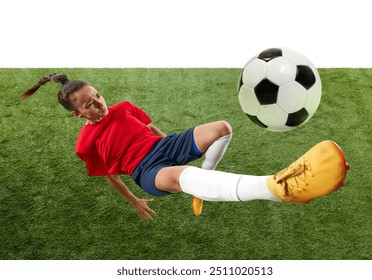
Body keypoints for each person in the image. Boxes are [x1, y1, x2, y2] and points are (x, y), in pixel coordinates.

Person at [20, 73, 349, 221]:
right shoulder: (85, 143)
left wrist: (173, 141)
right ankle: (277, 187)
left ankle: (204, 185)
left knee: (221, 128)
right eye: (89, 106)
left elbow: (149, 128)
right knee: (184, 175)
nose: (98, 104)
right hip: (148, 171)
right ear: (77, 115)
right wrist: (134, 199)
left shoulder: (123, 107)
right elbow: (110, 175)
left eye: (98, 97)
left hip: (166, 147)